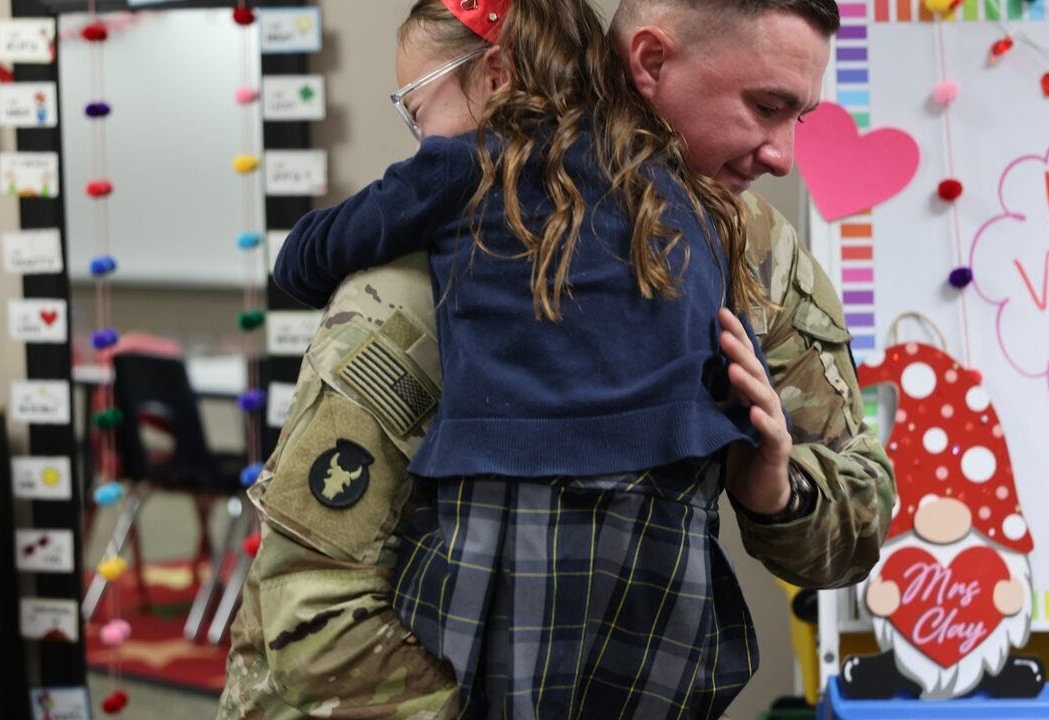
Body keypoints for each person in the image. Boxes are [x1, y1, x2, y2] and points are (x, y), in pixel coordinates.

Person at [218, 0, 896, 717]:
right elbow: (316, 604)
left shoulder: (756, 254)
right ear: (652, 60)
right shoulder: (456, 241)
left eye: (801, 117)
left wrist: (776, 491)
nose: (784, 154)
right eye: (765, 106)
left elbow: (856, 527)